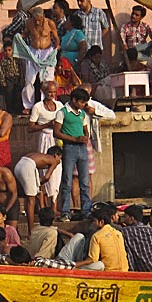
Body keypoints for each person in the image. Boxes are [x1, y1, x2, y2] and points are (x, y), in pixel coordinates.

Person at [54, 87, 91, 222]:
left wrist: (86, 137)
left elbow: (86, 129)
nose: (83, 105)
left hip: (82, 148)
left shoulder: (82, 114)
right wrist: (74, 139)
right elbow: (56, 132)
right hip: (69, 147)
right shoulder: (62, 112)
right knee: (67, 180)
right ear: (74, 100)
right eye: (81, 102)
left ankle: (86, 210)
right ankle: (65, 211)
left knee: (85, 182)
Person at [17, 6, 60, 112]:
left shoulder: (50, 23)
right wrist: (18, 38)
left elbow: (56, 37)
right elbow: (25, 34)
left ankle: (46, 104)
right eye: (35, 20)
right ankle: (28, 106)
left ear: (43, 17)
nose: (37, 23)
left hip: (47, 52)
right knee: (29, 79)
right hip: (33, 52)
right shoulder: (29, 23)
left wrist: (57, 47)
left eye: (39, 20)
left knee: (47, 80)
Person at [13, 147, 63, 238]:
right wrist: (41, 183)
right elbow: (47, 177)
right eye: (60, 158)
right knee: (30, 200)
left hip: (19, 165)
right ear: (56, 155)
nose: (60, 162)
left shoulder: (40, 156)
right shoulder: (53, 160)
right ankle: (31, 232)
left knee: (28, 195)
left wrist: (38, 185)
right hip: (27, 167)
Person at [120, 204, 152, 272]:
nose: (123, 219)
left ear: (131, 218)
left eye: (125, 216)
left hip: (143, 268)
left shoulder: (124, 232)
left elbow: (129, 256)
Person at [0, 40, 24, 115]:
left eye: (9, 50)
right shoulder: (3, 61)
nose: (8, 52)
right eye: (6, 51)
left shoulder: (17, 59)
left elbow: (21, 69)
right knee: (9, 96)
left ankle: (18, 110)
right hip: (8, 80)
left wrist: (21, 79)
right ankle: (10, 111)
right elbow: (1, 72)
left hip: (17, 79)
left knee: (18, 95)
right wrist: (3, 83)